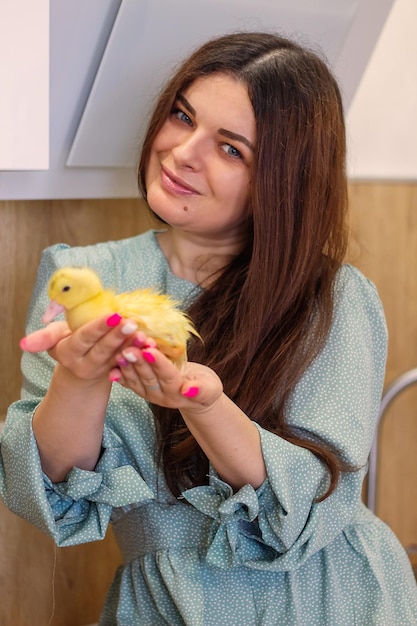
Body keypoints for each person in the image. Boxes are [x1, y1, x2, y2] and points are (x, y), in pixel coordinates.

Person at [1, 31, 416, 625]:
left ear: (282, 181)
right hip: (166, 607)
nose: (181, 152)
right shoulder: (86, 277)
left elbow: (310, 508)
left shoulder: (335, 298)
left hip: (332, 598)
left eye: (230, 149)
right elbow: (47, 498)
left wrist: (201, 402)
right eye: (182, 115)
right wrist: (79, 378)